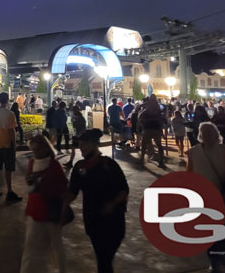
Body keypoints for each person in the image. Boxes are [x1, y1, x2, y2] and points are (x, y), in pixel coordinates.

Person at [62, 129, 129, 273]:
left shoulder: (109, 165)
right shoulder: (79, 167)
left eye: (84, 144)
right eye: (80, 144)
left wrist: (112, 204)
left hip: (114, 221)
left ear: (94, 145)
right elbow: (72, 192)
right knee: (102, 259)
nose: (81, 147)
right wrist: (61, 204)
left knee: (105, 259)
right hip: (93, 221)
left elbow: (124, 190)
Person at [187, 122, 225, 272]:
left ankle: (213, 258)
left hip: (202, 196)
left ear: (200, 135)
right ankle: (218, 256)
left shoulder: (193, 152)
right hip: (221, 194)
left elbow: (189, 175)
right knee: (222, 228)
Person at [20, 135, 67, 273]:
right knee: (30, 246)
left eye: (37, 149)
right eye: (33, 149)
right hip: (35, 209)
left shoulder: (54, 166)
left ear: (45, 149)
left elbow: (63, 188)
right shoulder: (32, 163)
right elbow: (30, 184)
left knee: (56, 245)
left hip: (51, 210)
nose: (35, 152)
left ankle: (62, 270)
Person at [0, 92, 22, 202]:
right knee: (8, 169)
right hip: (8, 144)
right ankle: (9, 191)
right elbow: (12, 131)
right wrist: (15, 144)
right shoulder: (10, 114)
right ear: (7, 100)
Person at [139, 94, 165, 167]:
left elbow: (140, 115)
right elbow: (161, 119)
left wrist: (142, 122)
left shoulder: (148, 106)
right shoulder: (158, 108)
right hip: (156, 128)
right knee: (159, 145)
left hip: (148, 128)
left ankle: (142, 159)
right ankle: (161, 161)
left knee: (144, 144)